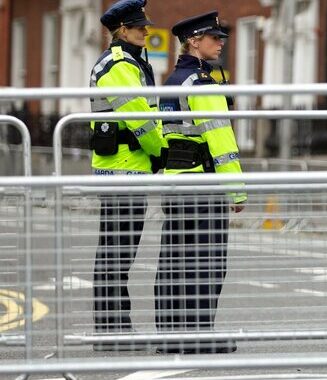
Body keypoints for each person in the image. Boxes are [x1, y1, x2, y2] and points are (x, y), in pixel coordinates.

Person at [156, 11, 246, 354]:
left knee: (174, 258)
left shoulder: (173, 81)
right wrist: (236, 190)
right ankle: (198, 333)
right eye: (214, 37)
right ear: (194, 40)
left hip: (176, 180)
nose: (221, 42)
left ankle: (168, 334)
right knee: (208, 260)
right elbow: (221, 140)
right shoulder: (202, 83)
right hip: (204, 184)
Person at [89, 0, 164, 351]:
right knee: (116, 255)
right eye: (139, 27)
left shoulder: (129, 61)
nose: (146, 31)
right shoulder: (119, 65)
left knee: (116, 254)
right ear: (122, 30)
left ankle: (116, 329)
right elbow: (140, 118)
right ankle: (112, 332)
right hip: (124, 169)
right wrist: (160, 151)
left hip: (125, 168)